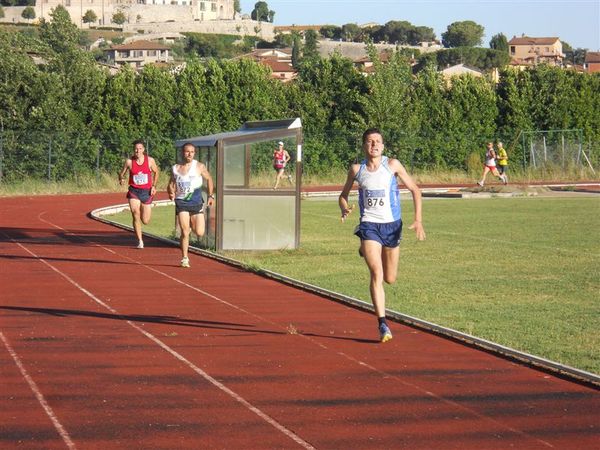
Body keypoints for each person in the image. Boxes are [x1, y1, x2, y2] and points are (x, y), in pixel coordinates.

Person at [339, 128, 426, 343]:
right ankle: (383, 324)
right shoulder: (357, 169)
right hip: (369, 226)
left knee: (390, 278)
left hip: (392, 227)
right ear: (364, 146)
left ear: (383, 146)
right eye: (370, 142)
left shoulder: (392, 165)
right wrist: (344, 207)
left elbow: (415, 190)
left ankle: (366, 249)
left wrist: (418, 220)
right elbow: (343, 195)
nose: (374, 145)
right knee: (376, 273)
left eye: (378, 141)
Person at [167, 143, 214, 268]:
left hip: (196, 203)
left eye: (192, 152)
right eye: (187, 151)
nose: (189, 154)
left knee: (199, 232)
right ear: (183, 153)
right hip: (182, 202)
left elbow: (209, 179)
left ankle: (193, 223)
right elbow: (171, 184)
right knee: (185, 231)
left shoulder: (199, 166)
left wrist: (210, 196)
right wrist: (171, 192)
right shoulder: (176, 168)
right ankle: (185, 258)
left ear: (194, 153)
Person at [118, 140, 160, 249]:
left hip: (146, 192)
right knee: (135, 213)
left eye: (140, 148)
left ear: (143, 150)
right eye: (136, 149)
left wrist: (154, 186)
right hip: (134, 191)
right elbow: (122, 174)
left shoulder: (150, 160)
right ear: (134, 150)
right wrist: (121, 179)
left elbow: (156, 172)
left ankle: (143, 207)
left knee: (145, 221)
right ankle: (140, 241)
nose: (138, 151)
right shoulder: (129, 162)